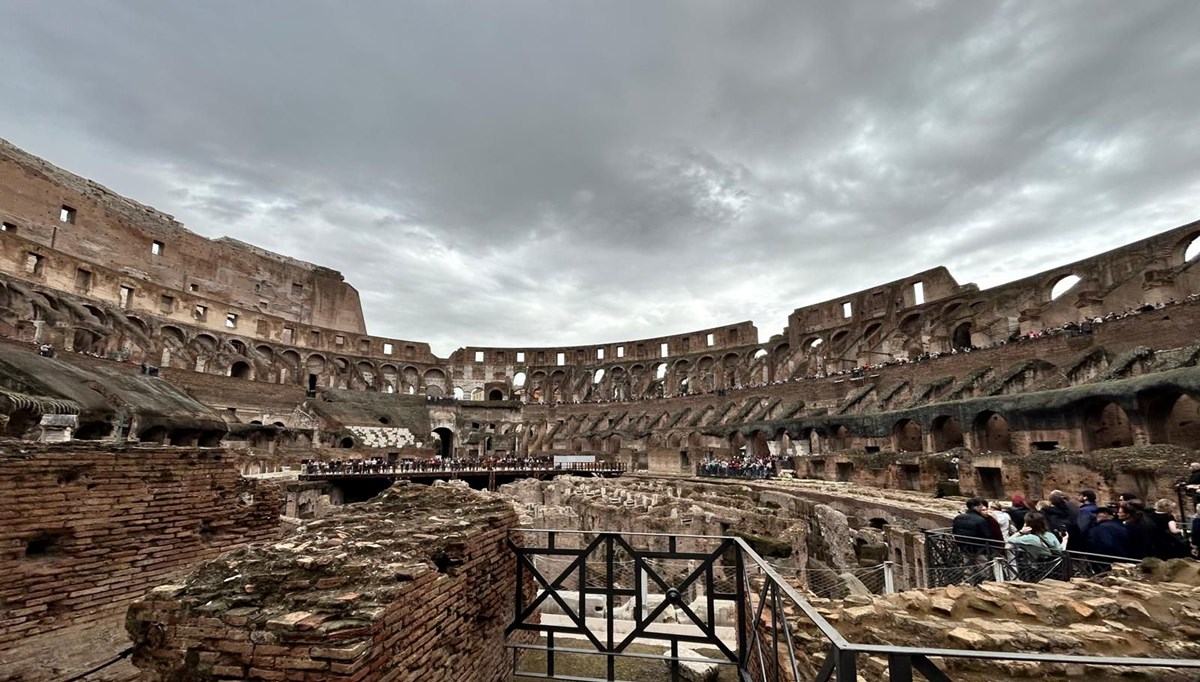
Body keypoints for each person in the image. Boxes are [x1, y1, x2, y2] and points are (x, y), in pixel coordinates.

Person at [952, 498, 995, 579]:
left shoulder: (958, 518)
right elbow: (987, 535)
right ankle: (986, 584)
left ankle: (969, 584)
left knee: (969, 570)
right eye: (980, 506)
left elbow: (954, 531)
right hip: (980, 549)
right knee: (985, 571)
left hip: (964, 547)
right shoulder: (981, 520)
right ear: (976, 506)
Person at [1085, 506, 1130, 570]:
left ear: (1107, 514)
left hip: (1106, 561)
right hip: (1122, 558)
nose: (1097, 515)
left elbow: (1108, 544)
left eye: (1099, 513)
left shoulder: (1102, 527)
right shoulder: (1119, 525)